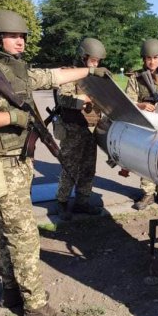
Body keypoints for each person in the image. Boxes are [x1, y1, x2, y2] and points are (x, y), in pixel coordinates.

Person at [0, 10, 109, 316]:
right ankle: (35, 307)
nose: (20, 41)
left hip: (18, 165)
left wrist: (92, 71)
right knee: (24, 237)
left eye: (23, 36)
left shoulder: (17, 73)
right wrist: (12, 119)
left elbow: (54, 77)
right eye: (13, 36)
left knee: (9, 233)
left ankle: (11, 291)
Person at [55, 38, 106, 221]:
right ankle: (61, 201)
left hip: (91, 128)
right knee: (69, 168)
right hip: (73, 128)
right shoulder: (70, 74)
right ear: (83, 57)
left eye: (98, 61)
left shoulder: (96, 76)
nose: (96, 63)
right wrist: (83, 99)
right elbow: (63, 99)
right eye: (93, 60)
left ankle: (82, 202)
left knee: (87, 168)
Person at [125, 38, 158, 211]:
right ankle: (147, 193)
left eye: (155, 57)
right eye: (148, 58)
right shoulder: (136, 78)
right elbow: (127, 101)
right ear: (144, 59)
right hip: (145, 123)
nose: (152, 61)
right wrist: (141, 105)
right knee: (146, 158)